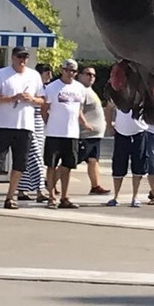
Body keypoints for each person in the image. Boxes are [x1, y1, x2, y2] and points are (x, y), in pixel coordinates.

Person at [0, 46, 45, 210]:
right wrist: (12, 98)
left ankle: (10, 197)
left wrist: (31, 99)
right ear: (13, 57)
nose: (22, 60)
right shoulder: (2, 74)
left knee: (19, 165)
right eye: (19, 57)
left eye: (25, 57)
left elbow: (42, 100)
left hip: (25, 127)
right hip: (4, 126)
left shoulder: (34, 75)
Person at [42, 58, 90, 209]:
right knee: (51, 165)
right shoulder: (52, 87)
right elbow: (44, 109)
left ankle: (65, 197)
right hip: (54, 133)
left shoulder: (80, 88)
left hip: (72, 133)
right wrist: (49, 123)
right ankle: (51, 196)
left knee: (68, 166)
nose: (70, 73)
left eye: (74, 71)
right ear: (62, 70)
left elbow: (78, 110)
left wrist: (85, 123)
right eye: (68, 70)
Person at [18, 63, 52, 202]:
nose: (49, 74)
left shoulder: (46, 89)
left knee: (31, 157)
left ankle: (22, 189)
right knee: (35, 156)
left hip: (39, 125)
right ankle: (39, 189)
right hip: (30, 121)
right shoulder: (32, 86)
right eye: (46, 71)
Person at [106, 103, 149, 207]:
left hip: (140, 132)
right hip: (121, 133)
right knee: (118, 165)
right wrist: (109, 126)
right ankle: (116, 197)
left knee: (139, 165)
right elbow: (109, 108)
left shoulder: (143, 93)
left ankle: (135, 197)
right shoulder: (119, 93)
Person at [76, 65, 109, 196]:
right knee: (71, 162)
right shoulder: (80, 90)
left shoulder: (90, 90)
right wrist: (85, 124)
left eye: (94, 75)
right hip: (85, 135)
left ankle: (95, 186)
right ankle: (51, 182)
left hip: (95, 135)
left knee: (93, 160)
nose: (91, 77)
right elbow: (77, 110)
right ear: (80, 75)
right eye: (88, 74)